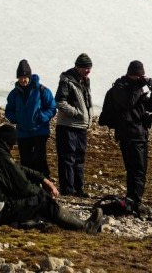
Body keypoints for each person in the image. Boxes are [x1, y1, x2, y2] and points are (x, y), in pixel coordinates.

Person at [0, 124, 104, 233]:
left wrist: (42, 179)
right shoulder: (0, 156)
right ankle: (84, 227)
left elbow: (17, 168)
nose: (12, 148)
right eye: (12, 145)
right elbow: (23, 187)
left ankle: (31, 221)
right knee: (41, 200)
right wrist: (42, 192)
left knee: (31, 197)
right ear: (7, 143)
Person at [99, 60, 152, 216]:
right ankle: (134, 201)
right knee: (135, 170)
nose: (141, 79)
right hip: (128, 135)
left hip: (140, 134)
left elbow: (148, 109)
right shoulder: (120, 88)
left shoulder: (136, 88)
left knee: (140, 170)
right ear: (131, 74)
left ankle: (133, 200)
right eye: (139, 76)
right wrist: (139, 87)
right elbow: (128, 103)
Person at [4, 59, 57, 177]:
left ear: (29, 76)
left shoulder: (42, 90)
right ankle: (28, 185)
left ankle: (44, 183)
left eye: (25, 76)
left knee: (40, 159)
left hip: (39, 131)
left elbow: (52, 108)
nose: (23, 79)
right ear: (17, 78)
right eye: (21, 77)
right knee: (26, 161)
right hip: (23, 132)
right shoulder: (14, 94)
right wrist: (16, 118)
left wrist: (41, 117)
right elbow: (8, 110)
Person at [55, 52, 94, 197]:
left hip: (81, 127)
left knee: (79, 158)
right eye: (85, 68)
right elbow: (60, 101)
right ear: (78, 67)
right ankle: (67, 189)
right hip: (67, 126)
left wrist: (87, 116)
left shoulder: (85, 81)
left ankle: (79, 189)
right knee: (68, 158)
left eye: (89, 68)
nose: (88, 71)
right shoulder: (67, 81)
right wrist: (77, 113)